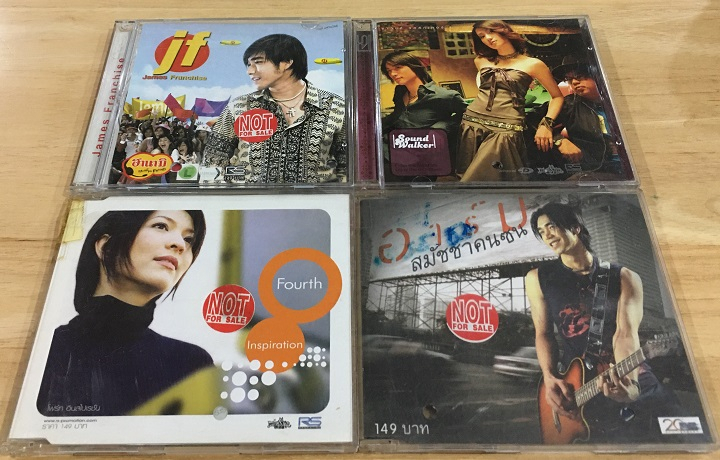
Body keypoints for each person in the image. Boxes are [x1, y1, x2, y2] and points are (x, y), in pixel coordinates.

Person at [37, 210, 212, 416]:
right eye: (161, 226)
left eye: (188, 239)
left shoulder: (190, 364)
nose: (180, 244)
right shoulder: (46, 351)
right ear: (105, 246)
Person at [525, 202, 673, 441]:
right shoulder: (538, 278)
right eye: (541, 231)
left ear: (575, 228)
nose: (547, 235)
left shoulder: (625, 277)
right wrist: (549, 376)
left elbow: (625, 334)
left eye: (551, 226)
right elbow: (543, 333)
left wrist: (631, 385)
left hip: (629, 370)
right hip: (576, 385)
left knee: (677, 431)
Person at [202, 34, 346, 183]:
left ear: (286, 63)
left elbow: (349, 168)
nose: (250, 71)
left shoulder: (335, 107)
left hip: (318, 197)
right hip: (248, 197)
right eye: (249, 65)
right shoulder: (239, 107)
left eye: (258, 62)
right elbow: (212, 162)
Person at [457, 20, 564, 182]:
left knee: (483, 178)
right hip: (472, 123)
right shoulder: (480, 61)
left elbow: (557, 96)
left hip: (507, 127)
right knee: (467, 175)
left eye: (490, 31)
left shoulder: (533, 64)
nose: (487, 38)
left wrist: (546, 124)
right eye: (482, 36)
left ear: (503, 30)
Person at [380, 51, 467, 180]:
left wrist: (441, 127)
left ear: (414, 66)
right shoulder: (400, 92)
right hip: (392, 149)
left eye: (398, 67)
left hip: (421, 158)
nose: (393, 74)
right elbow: (399, 115)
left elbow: (466, 115)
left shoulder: (443, 95)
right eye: (389, 71)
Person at [548, 57, 623, 177]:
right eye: (569, 79)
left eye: (580, 76)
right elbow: (531, 121)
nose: (574, 82)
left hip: (631, 166)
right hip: (596, 171)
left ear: (596, 74)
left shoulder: (621, 100)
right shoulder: (569, 104)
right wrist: (559, 140)